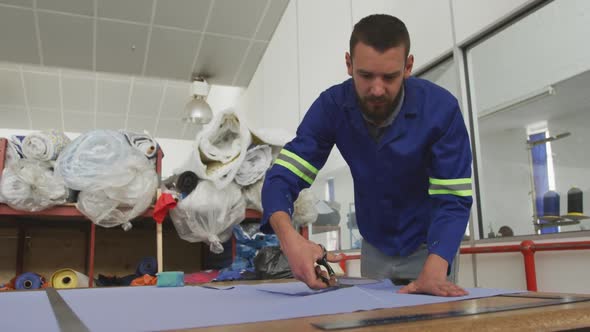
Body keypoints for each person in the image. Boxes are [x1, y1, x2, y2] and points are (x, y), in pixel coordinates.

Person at [260, 14, 473, 297]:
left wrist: (437, 266)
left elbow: (453, 199)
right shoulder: (331, 108)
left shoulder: (442, 111)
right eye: (365, 75)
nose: (377, 89)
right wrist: (289, 240)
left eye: (389, 77)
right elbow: (281, 178)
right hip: (374, 245)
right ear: (349, 64)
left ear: (408, 66)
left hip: (432, 245)